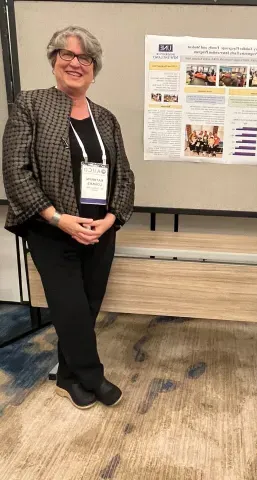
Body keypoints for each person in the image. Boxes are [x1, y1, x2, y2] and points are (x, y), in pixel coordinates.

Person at [2, 26, 135, 409]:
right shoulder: (30, 104)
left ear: (94, 69)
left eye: (85, 58)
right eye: (67, 54)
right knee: (70, 307)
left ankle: (67, 375)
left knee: (88, 305)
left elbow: (124, 175)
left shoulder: (106, 119)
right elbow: (16, 170)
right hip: (51, 229)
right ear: (53, 59)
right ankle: (93, 375)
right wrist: (58, 218)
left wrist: (112, 219)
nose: (76, 63)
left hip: (99, 230)